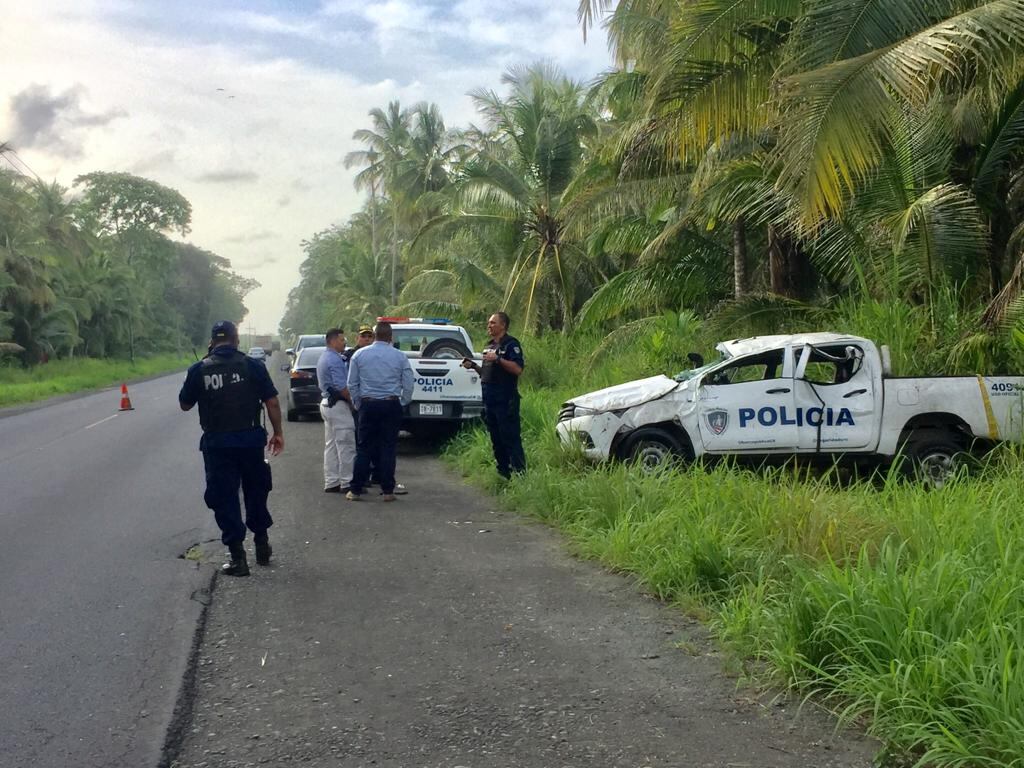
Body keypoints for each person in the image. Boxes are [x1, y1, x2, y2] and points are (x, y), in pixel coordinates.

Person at [179, 320, 284, 576]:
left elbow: (185, 404)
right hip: (250, 442)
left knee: (224, 497)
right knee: (256, 490)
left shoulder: (199, 369)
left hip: (218, 445)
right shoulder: (253, 366)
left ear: (213, 341)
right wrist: (278, 433)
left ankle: (238, 558)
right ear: (237, 340)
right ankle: (261, 544)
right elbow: (271, 402)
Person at [346, 321, 414, 502]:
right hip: (391, 405)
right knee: (388, 448)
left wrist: (358, 403)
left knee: (364, 448)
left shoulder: (359, 355)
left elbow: (352, 383)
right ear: (391, 337)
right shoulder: (400, 357)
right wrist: (403, 401)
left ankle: (355, 490)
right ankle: (388, 491)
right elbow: (408, 382)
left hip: (368, 405)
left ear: (374, 336)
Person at [461, 312, 525, 478]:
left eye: (493, 323)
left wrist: (498, 359)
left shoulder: (511, 345)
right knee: (496, 440)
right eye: (489, 323)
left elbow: (518, 369)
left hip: (505, 400)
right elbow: (486, 374)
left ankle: (519, 473)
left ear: (503, 325)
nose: (489, 326)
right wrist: (473, 366)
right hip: (490, 401)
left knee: (510, 437)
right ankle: (503, 473)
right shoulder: (488, 346)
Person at [317, 327, 356, 494]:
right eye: (341, 339)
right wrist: (354, 404)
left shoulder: (325, 357)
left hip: (327, 404)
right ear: (332, 341)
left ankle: (332, 481)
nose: (344, 342)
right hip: (338, 405)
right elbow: (342, 388)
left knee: (331, 445)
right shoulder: (333, 360)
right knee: (346, 444)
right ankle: (347, 482)